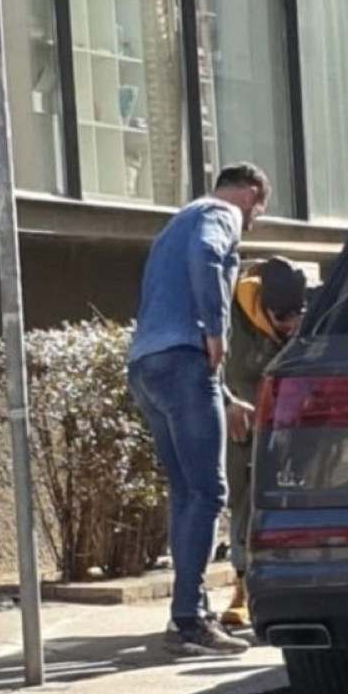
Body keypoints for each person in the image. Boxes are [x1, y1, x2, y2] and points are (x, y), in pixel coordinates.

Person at [127, 162, 270, 657]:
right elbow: (208, 256)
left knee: (187, 492)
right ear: (249, 194)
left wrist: (223, 395)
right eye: (258, 210)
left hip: (148, 366)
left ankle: (187, 614)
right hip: (185, 363)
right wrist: (216, 329)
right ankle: (189, 619)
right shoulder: (219, 213)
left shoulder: (175, 224)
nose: (252, 221)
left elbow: (166, 302)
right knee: (209, 493)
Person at [220, 257, 308, 629]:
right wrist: (227, 402)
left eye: (297, 316)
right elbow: (210, 363)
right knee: (243, 500)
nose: (290, 325)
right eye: (282, 317)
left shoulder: (303, 323)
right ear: (263, 307)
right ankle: (242, 588)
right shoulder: (231, 317)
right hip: (241, 425)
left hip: (290, 427)